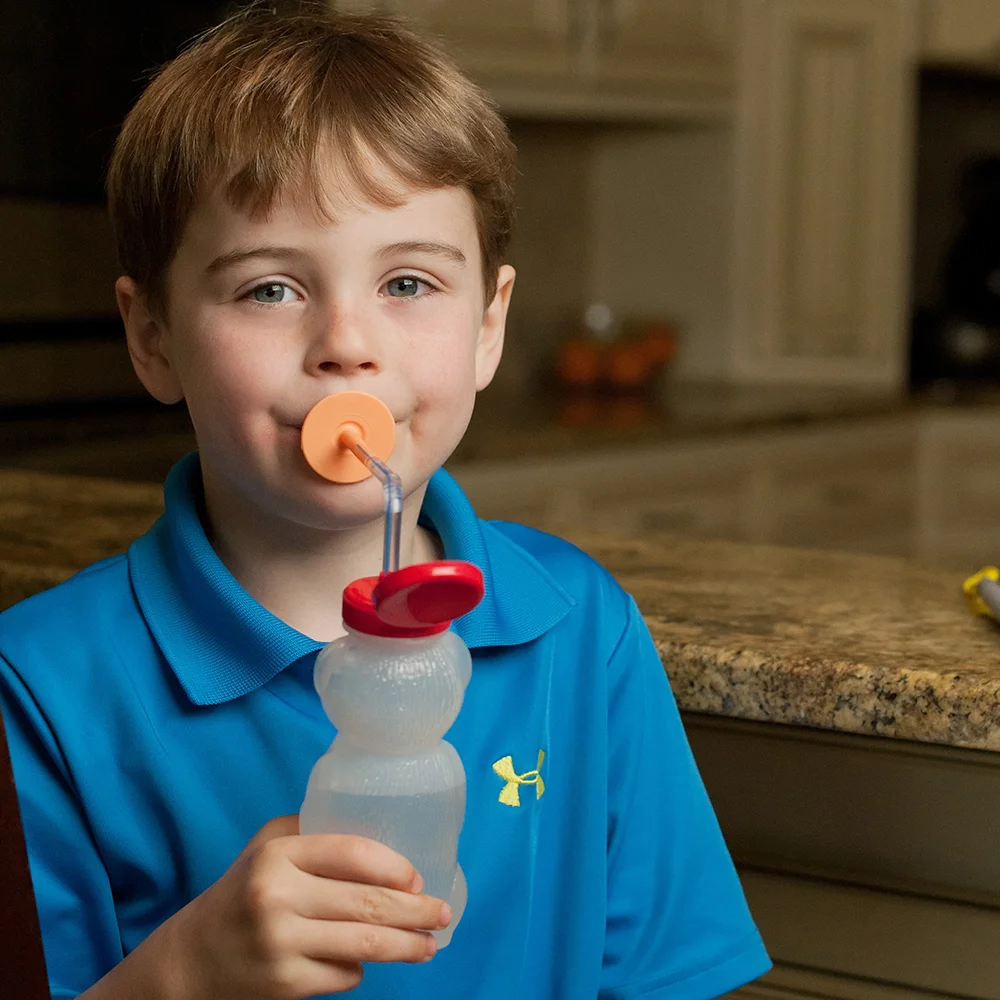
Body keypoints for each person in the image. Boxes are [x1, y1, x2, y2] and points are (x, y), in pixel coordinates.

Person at [0, 6, 771, 999]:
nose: (346, 343)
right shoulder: (40, 689)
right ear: (151, 336)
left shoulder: (581, 631)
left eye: (408, 280)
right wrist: (183, 972)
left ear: (488, 326)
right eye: (269, 289)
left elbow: (674, 976)